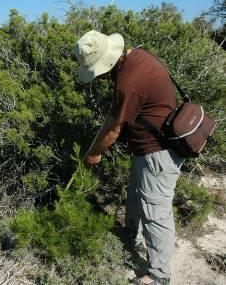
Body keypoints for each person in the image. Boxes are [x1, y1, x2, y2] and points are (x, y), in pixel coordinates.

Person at [74, 30, 184, 285]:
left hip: (158, 152)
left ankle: (159, 274)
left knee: (156, 211)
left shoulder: (128, 81)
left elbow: (113, 129)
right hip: (148, 147)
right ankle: (130, 234)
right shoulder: (139, 57)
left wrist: (94, 154)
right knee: (135, 192)